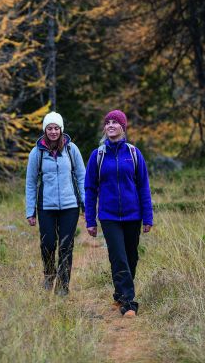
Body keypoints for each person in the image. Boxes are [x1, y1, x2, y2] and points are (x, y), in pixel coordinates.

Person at [84, 109, 153, 317]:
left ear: (123, 127)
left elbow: (143, 186)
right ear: (105, 128)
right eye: (108, 122)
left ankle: (119, 293)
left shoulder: (133, 153)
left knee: (131, 257)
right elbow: (90, 189)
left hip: (133, 215)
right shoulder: (98, 155)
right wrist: (90, 220)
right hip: (109, 216)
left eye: (115, 122)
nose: (111, 125)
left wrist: (148, 217)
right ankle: (129, 303)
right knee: (119, 257)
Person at [25, 111, 86, 296]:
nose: (53, 131)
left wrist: (85, 203)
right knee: (48, 244)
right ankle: (49, 275)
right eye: (49, 128)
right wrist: (30, 211)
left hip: (70, 206)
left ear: (61, 129)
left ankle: (63, 286)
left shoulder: (71, 149)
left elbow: (81, 176)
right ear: (45, 130)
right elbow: (30, 182)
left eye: (56, 128)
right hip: (46, 207)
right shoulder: (37, 152)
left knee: (66, 246)